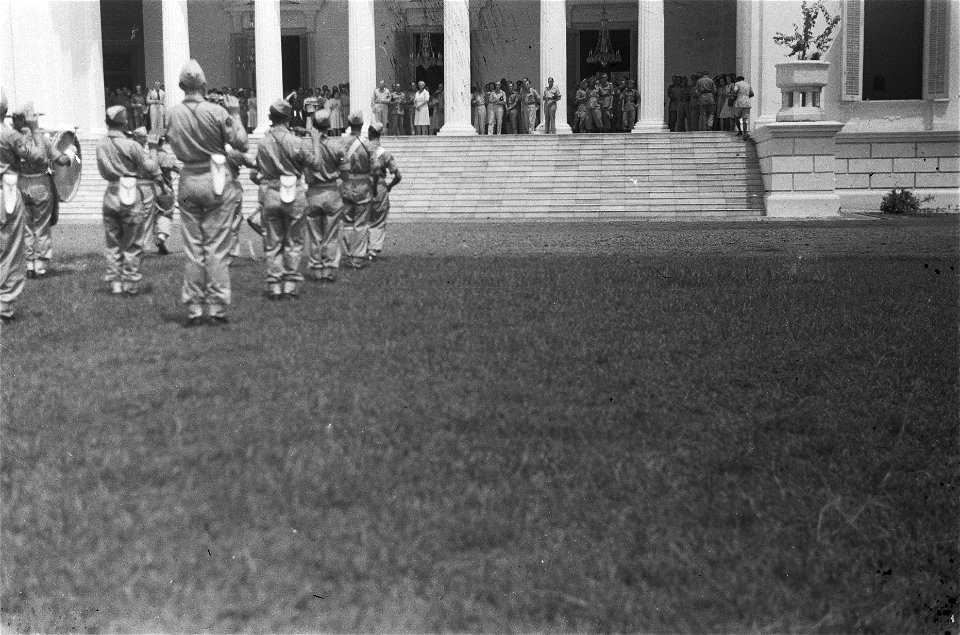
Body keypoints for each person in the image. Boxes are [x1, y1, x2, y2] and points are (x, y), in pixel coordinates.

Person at [164, 59, 248, 326]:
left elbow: (167, 142)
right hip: (215, 179)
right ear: (203, 84)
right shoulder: (216, 111)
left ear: (181, 86)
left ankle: (195, 307)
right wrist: (234, 113)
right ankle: (217, 306)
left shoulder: (172, 113)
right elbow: (241, 143)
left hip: (188, 180)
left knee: (193, 246)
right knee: (216, 246)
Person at [255, 98, 323, 300]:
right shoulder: (296, 141)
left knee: (273, 241)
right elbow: (316, 164)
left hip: (272, 191)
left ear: (271, 118)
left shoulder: (264, 142)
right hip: (293, 191)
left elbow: (259, 167)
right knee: (294, 240)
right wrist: (316, 141)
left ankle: (275, 284)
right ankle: (290, 284)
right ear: (288, 118)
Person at [96, 107, 162, 296]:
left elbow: (102, 171)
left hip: (111, 192)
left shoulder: (101, 144)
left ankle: (115, 282)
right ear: (124, 122)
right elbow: (150, 167)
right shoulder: (131, 145)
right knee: (133, 241)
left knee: (113, 241)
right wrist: (154, 149)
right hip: (130, 192)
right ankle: (130, 282)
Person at [0, 89, 47, 321]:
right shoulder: (11, 136)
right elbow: (38, 157)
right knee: (9, 249)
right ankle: (4, 306)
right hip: (6, 191)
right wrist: (35, 129)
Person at [11, 102, 70, 279]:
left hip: (21, 183)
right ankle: (40, 264)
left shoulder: (12, 139)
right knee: (41, 225)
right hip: (40, 183)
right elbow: (62, 161)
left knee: (27, 226)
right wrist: (72, 153)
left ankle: (28, 263)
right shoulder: (42, 139)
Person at [304, 108, 346, 283]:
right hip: (331, 190)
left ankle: (316, 268)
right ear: (328, 127)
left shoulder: (306, 146)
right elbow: (345, 172)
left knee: (314, 234)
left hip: (313, 191)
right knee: (331, 233)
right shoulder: (337, 146)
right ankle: (328, 268)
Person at [340, 112, 376, 268]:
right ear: (362, 126)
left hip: (346, 183)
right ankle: (358, 257)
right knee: (361, 222)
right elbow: (375, 169)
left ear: (349, 124)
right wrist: (374, 187)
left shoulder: (341, 143)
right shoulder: (368, 145)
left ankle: (349, 252)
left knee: (347, 221)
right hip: (362, 184)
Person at [366, 121, 401, 261]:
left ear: (369, 133)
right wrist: (390, 186)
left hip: (363, 185)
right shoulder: (385, 154)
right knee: (378, 219)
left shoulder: (363, 150)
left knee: (363, 217)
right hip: (380, 186)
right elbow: (398, 175)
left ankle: (362, 247)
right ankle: (373, 250)